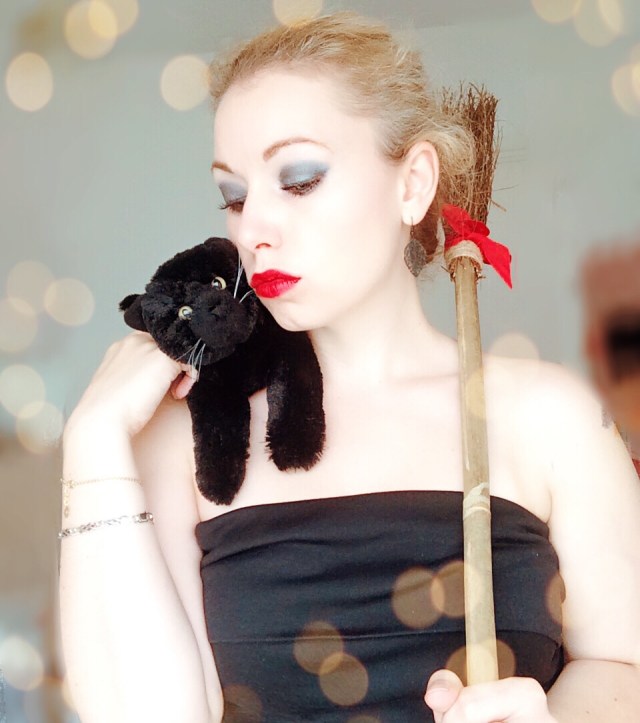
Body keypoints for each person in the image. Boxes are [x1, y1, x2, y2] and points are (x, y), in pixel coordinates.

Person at [58, 13, 640, 723]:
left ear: (413, 183)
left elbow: (623, 667)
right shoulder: (190, 436)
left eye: (299, 180)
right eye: (235, 196)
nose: (253, 229)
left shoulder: (550, 417)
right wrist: (92, 441)